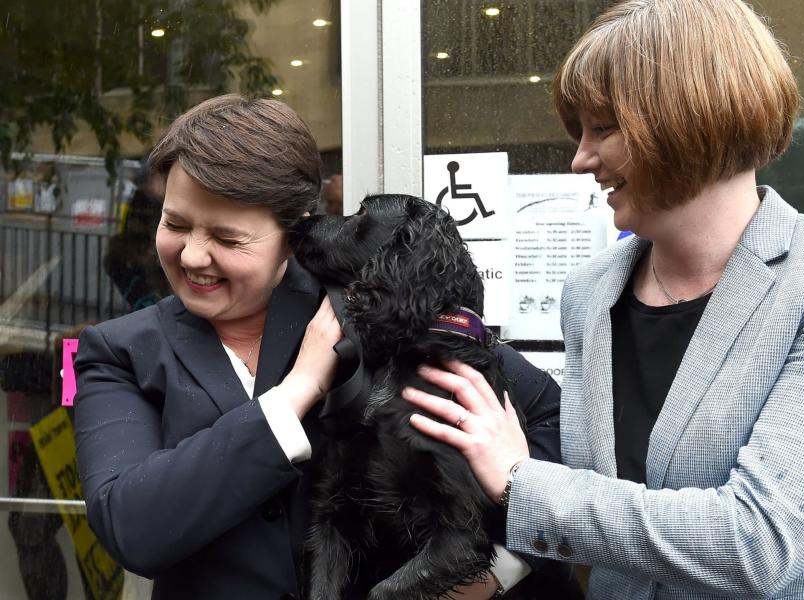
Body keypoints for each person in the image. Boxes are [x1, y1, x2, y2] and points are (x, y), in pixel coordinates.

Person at [403, 1, 804, 598]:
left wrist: (522, 481)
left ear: (685, 119)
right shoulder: (591, 294)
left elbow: (757, 542)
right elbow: (592, 490)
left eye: (602, 129)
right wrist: (497, 570)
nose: (580, 159)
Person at [73, 94, 564, 599]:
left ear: (295, 228)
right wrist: (299, 389)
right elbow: (132, 527)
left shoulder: (366, 311)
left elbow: (550, 418)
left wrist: (498, 568)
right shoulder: (121, 352)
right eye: (175, 224)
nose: (194, 254)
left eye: (228, 237)